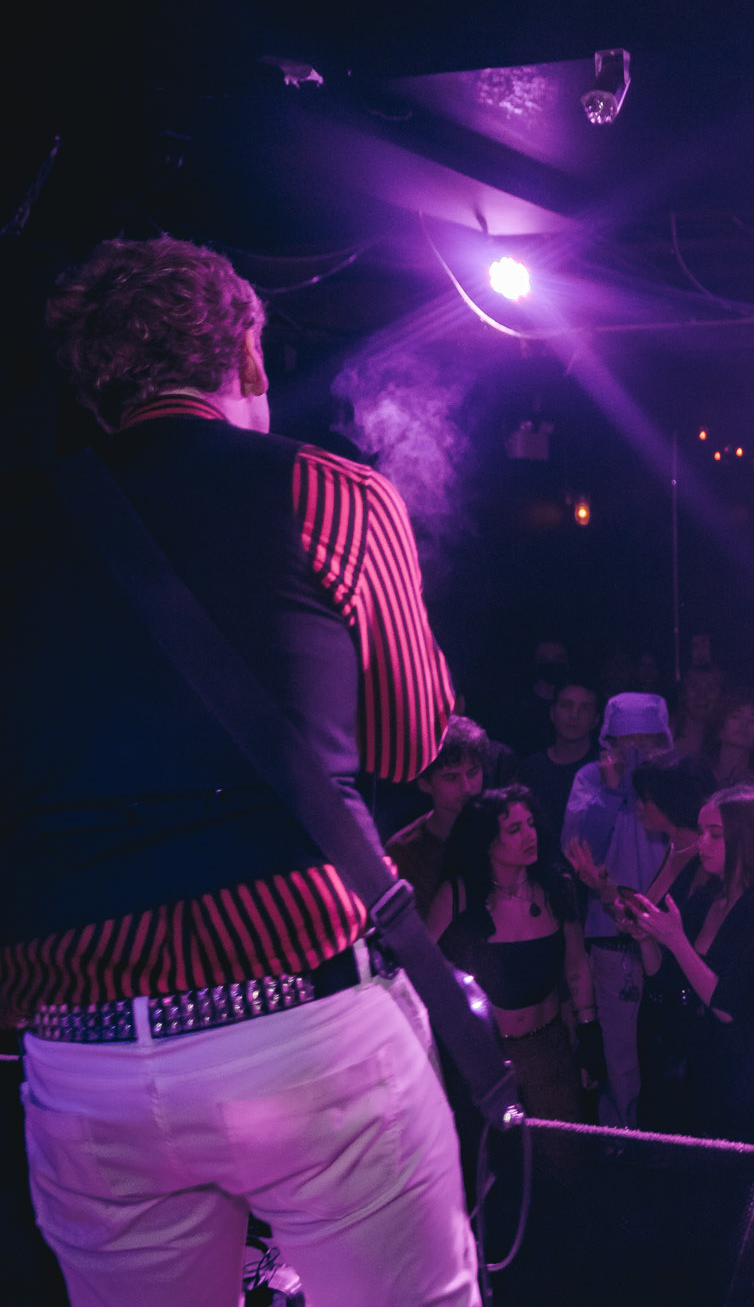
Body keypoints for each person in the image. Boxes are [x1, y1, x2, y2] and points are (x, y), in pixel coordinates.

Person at [6, 237, 474, 1302]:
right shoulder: (330, 492)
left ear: (98, 383)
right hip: (300, 1026)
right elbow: (407, 744)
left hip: (82, 1060)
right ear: (247, 362)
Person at [619, 785, 754, 1143]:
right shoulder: (710, 894)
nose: (703, 843)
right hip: (694, 1068)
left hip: (739, 1078)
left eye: (716, 834)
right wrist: (648, 938)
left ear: (746, 838)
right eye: (701, 832)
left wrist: (676, 940)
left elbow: (728, 1007)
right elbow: (666, 981)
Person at [425, 786, 596, 1122]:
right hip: (487, 1052)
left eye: (531, 824)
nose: (529, 835)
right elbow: (423, 966)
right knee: (500, 1159)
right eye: (515, 829)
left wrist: (590, 1032)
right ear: (488, 841)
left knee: (561, 1154)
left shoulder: (554, 888)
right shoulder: (458, 895)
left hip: (547, 1047)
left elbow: (576, 965)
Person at [563, 691, 675, 1126]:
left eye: (647, 742)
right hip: (612, 936)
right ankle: (621, 1145)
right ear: (607, 741)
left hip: (670, 932)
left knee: (668, 1049)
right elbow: (578, 853)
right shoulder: (590, 778)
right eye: (625, 743)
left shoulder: (673, 778)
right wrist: (610, 794)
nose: (636, 753)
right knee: (621, 1058)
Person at [385, 716, 489, 909]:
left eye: (473, 773)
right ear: (425, 783)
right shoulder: (403, 851)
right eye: (451, 777)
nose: (466, 787)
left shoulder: (504, 830)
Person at [514, 680, 599, 856]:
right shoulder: (530, 769)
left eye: (584, 708)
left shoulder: (604, 771)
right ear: (552, 713)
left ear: (596, 719)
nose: (574, 715)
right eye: (566, 705)